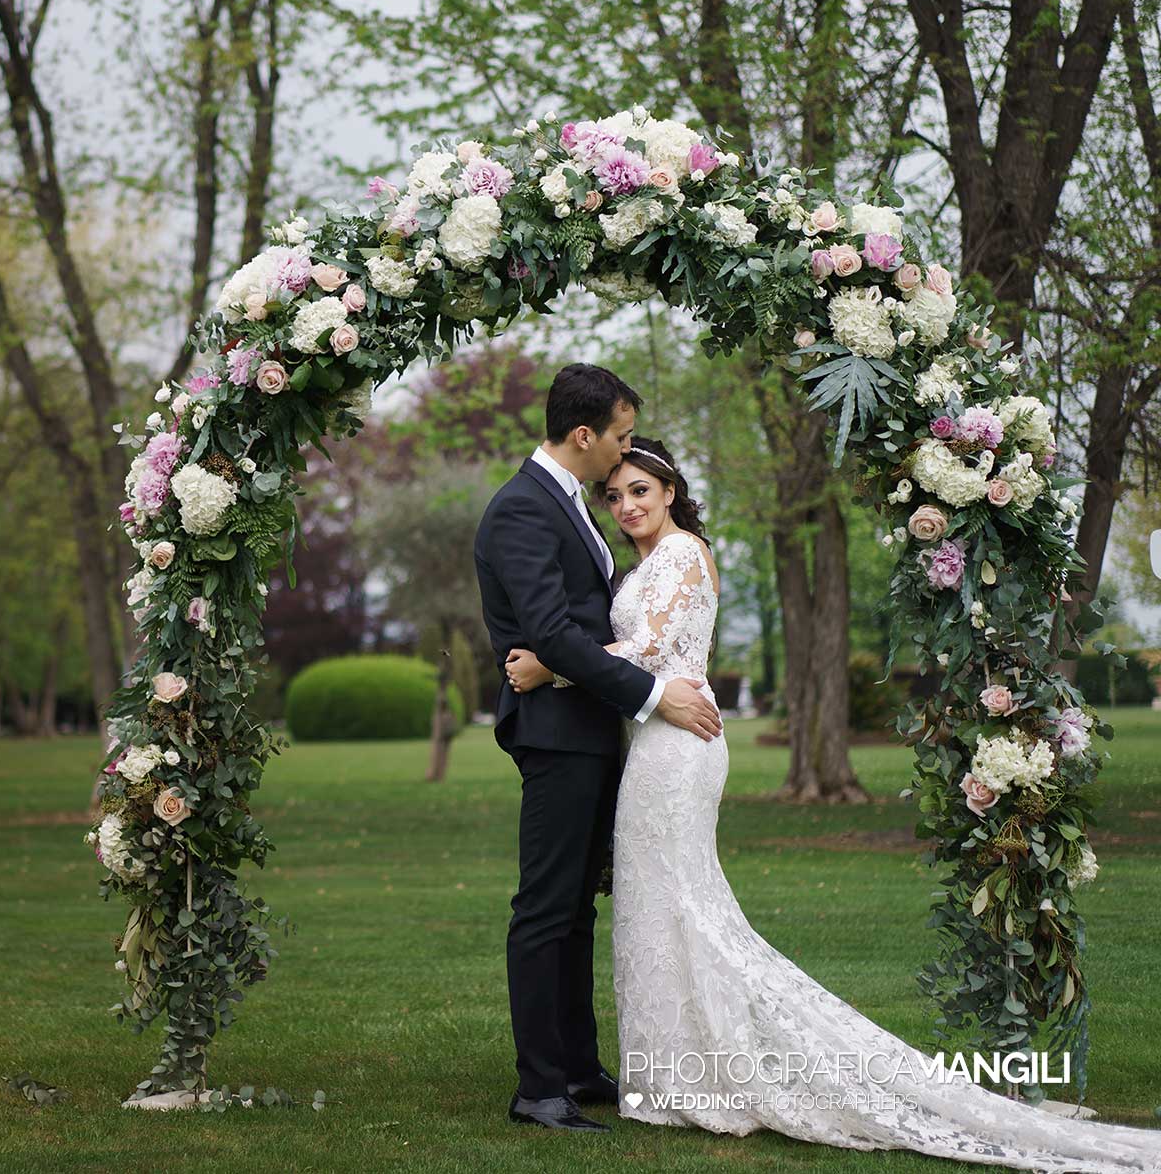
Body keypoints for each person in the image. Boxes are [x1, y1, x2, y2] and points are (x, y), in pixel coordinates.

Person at [503, 437, 1161, 1170]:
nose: (626, 506)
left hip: (677, 746)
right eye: (616, 496)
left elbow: (652, 650)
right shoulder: (648, 562)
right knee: (660, 910)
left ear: (670, 491)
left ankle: (712, 1074)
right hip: (655, 742)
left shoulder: (684, 552)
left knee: (683, 907)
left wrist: (551, 667)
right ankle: (672, 1073)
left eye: (640, 492)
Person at [472, 364, 722, 1134]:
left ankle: (578, 1065)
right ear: (585, 434)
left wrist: (579, 673)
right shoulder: (523, 508)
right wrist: (649, 696)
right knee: (545, 910)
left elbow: (584, 629)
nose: (622, 456)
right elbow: (548, 631)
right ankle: (539, 1088)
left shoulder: (567, 504)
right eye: (617, 437)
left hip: (595, 733)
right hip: (557, 736)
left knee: (577, 910)